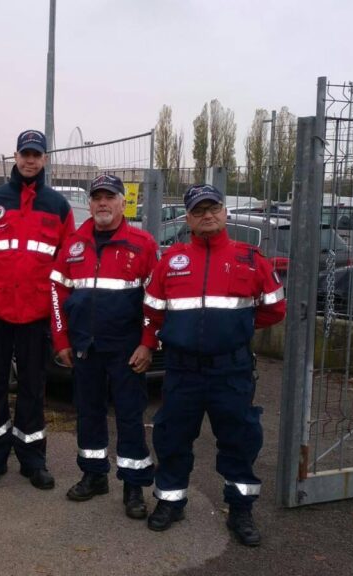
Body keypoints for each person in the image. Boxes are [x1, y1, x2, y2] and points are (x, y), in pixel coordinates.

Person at [134, 184, 286, 546]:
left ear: (225, 213)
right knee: (172, 437)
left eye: (213, 208)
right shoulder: (171, 261)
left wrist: (235, 330)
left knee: (239, 440)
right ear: (187, 219)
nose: (207, 215)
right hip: (182, 370)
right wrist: (147, 341)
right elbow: (152, 311)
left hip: (230, 370)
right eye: (199, 211)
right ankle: (171, 501)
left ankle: (240, 510)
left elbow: (274, 309)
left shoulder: (251, 259)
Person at [0, 129, 75, 490]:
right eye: (25, 154)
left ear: (45, 159)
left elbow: (65, 260)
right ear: (15, 156)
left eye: (36, 155)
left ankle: (33, 460)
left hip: (36, 312)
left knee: (33, 386)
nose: (30, 160)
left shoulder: (58, 206)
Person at [49, 174, 158, 518]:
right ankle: (94, 475)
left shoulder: (142, 243)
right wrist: (62, 340)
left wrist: (148, 343)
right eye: (96, 198)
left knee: (129, 415)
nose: (102, 203)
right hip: (85, 346)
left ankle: (133, 486)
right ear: (90, 203)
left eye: (109, 197)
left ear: (122, 203)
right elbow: (57, 292)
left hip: (127, 349)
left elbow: (155, 301)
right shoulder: (74, 243)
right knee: (89, 413)